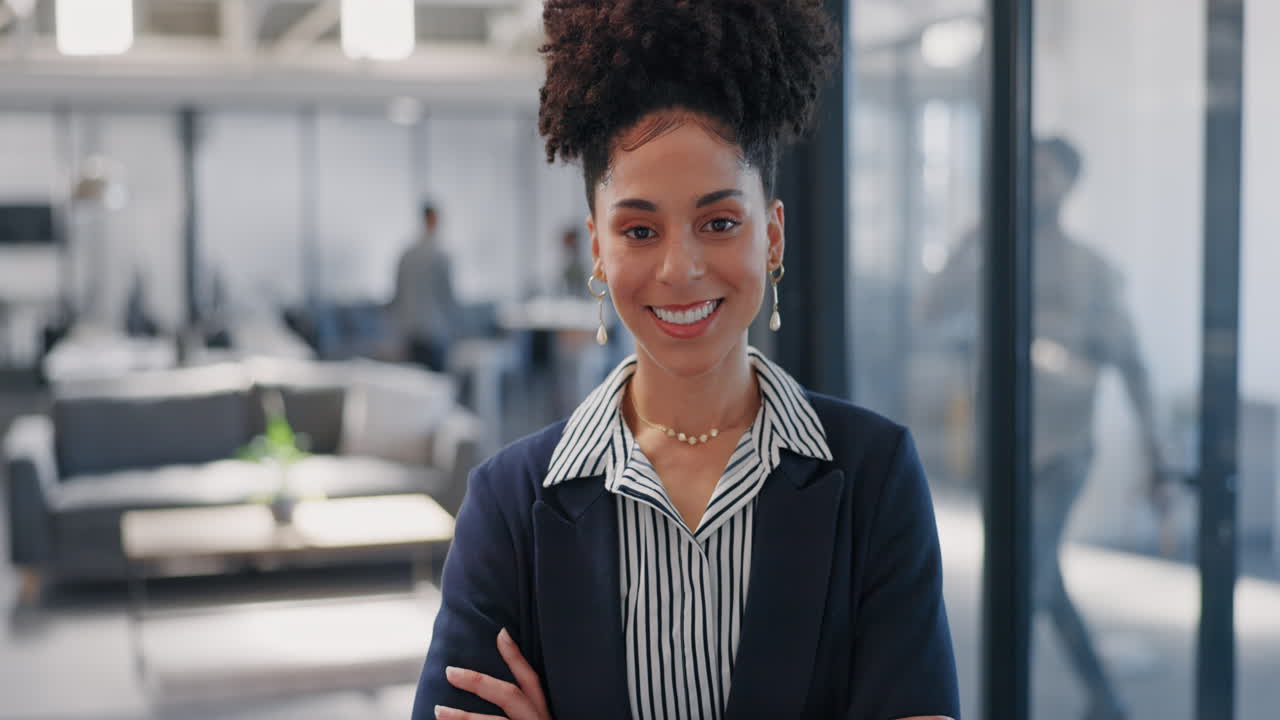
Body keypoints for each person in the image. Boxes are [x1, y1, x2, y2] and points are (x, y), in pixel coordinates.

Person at [413, 2, 959, 719]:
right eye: (640, 230)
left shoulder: (874, 479)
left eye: (719, 222)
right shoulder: (510, 507)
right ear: (598, 250)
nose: (680, 268)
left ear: (773, 235)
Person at [921, 137, 1170, 720]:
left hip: (1063, 448)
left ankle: (1001, 699)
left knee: (1026, 576)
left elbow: (1133, 364)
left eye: (1047, 175)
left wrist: (1157, 456)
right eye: (1026, 173)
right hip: (1000, 444)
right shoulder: (992, 257)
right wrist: (966, 244)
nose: (1034, 185)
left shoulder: (1091, 269)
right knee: (1040, 573)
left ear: (1068, 184)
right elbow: (930, 310)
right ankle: (1105, 698)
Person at [392, 203, 458, 372]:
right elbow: (448, 297)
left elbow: (397, 295)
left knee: (417, 383)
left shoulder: (406, 254)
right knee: (438, 386)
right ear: (435, 220)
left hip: (411, 331)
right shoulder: (441, 255)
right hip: (434, 331)